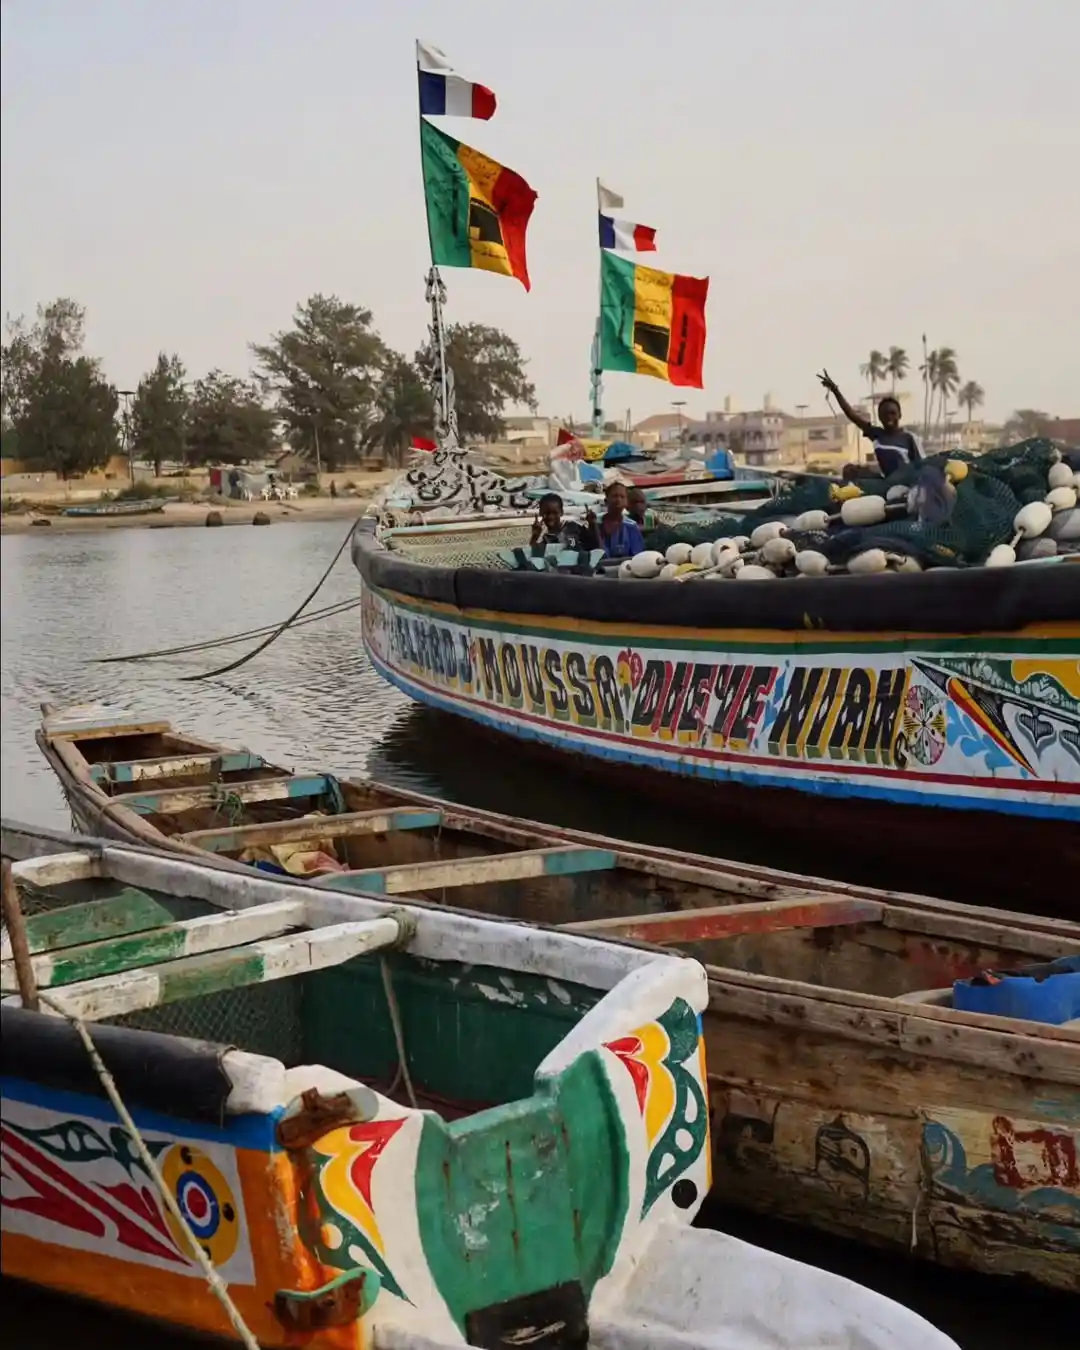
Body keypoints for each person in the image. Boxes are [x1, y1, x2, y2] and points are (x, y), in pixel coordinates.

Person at [818, 371, 923, 477]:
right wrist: (835, 390)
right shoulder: (877, 434)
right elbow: (851, 415)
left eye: (892, 413)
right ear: (879, 417)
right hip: (887, 482)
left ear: (899, 415)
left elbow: (922, 466)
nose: (889, 417)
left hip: (907, 484)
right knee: (849, 470)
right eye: (884, 414)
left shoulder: (909, 438)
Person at [530, 492, 595, 552]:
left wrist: (592, 524)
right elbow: (533, 556)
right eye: (546, 513)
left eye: (555, 513)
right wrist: (535, 536)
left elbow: (594, 545)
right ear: (540, 513)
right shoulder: (546, 539)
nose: (550, 517)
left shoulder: (573, 528)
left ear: (561, 512)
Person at [597, 481, 645, 559]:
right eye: (615, 496)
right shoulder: (597, 523)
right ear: (606, 501)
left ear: (626, 502)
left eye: (622, 497)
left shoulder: (631, 526)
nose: (618, 500)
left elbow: (637, 556)